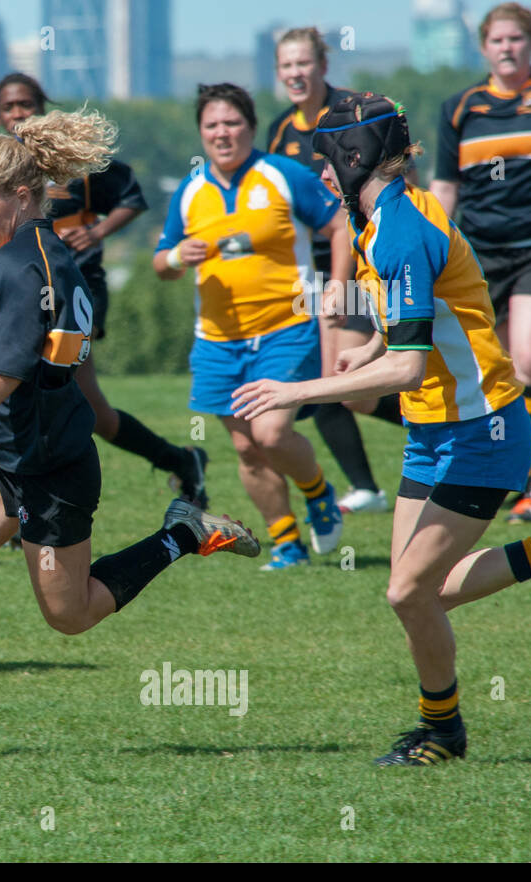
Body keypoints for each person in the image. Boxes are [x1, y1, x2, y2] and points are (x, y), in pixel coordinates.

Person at [0, 108, 260, 761]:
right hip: (5, 449)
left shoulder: (26, 265)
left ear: (21, 195)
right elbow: (2, 343)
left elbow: (7, 369)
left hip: (56, 464)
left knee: (71, 614)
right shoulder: (22, 250)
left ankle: (182, 532)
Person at [234, 92, 531, 765]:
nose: (318, 173)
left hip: (482, 432)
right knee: (413, 595)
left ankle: (444, 732)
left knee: (408, 590)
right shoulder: (378, 217)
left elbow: (407, 370)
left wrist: (298, 388)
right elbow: (425, 316)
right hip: (433, 428)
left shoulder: (399, 229)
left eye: (326, 158)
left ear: (357, 157)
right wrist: (371, 346)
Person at [0, 73, 209, 513]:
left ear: (41, 106)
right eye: (8, 107)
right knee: (68, 406)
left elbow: (131, 195)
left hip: (69, 288)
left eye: (26, 103)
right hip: (10, 292)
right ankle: (178, 460)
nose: (18, 113)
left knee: (57, 400)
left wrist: (97, 230)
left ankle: (27, 496)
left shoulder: (67, 172)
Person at [155, 83, 349, 571]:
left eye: (232, 122)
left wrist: (338, 286)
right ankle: (287, 543)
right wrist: (178, 256)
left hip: (287, 328)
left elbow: (340, 222)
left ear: (251, 126)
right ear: (201, 132)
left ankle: (318, 492)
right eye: (212, 125)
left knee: (270, 432)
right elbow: (162, 262)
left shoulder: (282, 174)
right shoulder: (191, 190)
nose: (223, 133)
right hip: (218, 342)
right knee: (244, 446)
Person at [268, 27, 403, 515]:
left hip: (365, 262)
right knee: (350, 392)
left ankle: (457, 425)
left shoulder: (355, 113)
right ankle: (369, 486)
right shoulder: (281, 131)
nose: (295, 73)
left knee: (346, 385)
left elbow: (391, 181)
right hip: (316, 277)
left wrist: (341, 285)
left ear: (323, 66)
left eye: (303, 63)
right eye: (286, 66)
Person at [431, 3, 531, 523]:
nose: (508, 48)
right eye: (498, 40)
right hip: (478, 255)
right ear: (484, 47)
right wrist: (434, 247)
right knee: (488, 372)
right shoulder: (462, 108)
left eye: (516, 40)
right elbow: (445, 186)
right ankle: (513, 477)